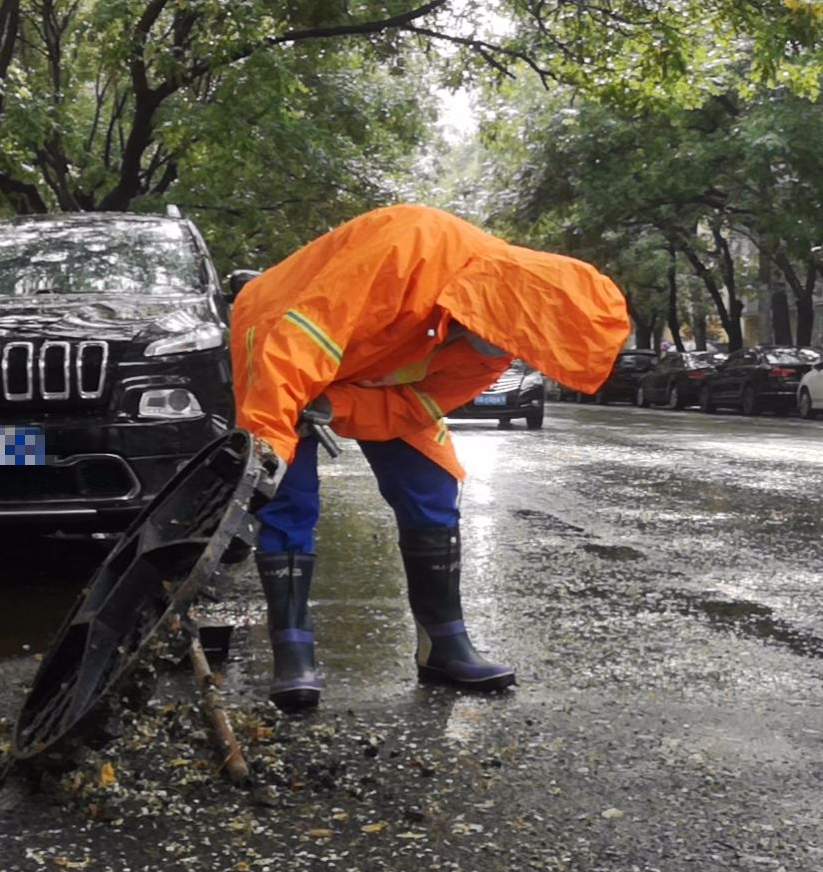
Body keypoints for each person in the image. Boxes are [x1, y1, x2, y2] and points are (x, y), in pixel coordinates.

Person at [231, 204, 630, 713]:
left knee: (433, 488)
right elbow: (299, 339)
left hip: (366, 366)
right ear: (514, 300)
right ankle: (292, 649)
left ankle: (445, 643)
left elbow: (415, 405)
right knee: (289, 492)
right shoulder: (410, 246)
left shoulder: (495, 343)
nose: (508, 353)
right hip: (280, 334)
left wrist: (341, 404)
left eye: (526, 350)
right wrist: (269, 443)